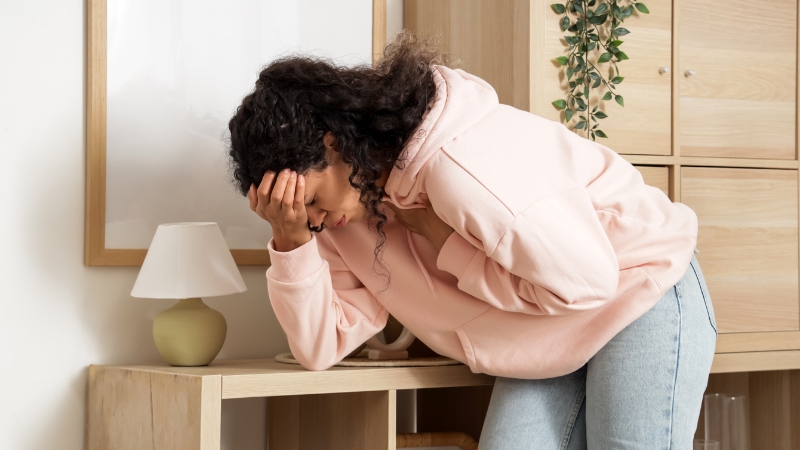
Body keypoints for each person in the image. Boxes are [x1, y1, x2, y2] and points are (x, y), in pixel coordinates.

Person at [227, 34, 717, 449]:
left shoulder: (458, 167)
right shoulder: (344, 215)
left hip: (636, 295)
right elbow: (320, 346)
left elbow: (588, 281)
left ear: (333, 143)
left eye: (307, 201)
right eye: (293, 211)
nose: (312, 220)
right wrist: (290, 241)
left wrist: (441, 237)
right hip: (545, 334)